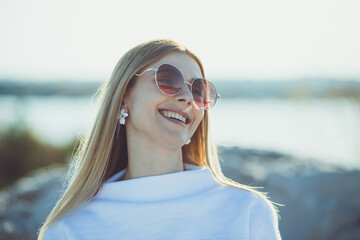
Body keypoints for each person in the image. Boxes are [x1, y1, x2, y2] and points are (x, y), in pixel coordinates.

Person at [37, 39, 281, 240]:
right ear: (124, 96)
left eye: (198, 90)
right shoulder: (69, 230)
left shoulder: (247, 212)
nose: (187, 97)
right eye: (167, 80)